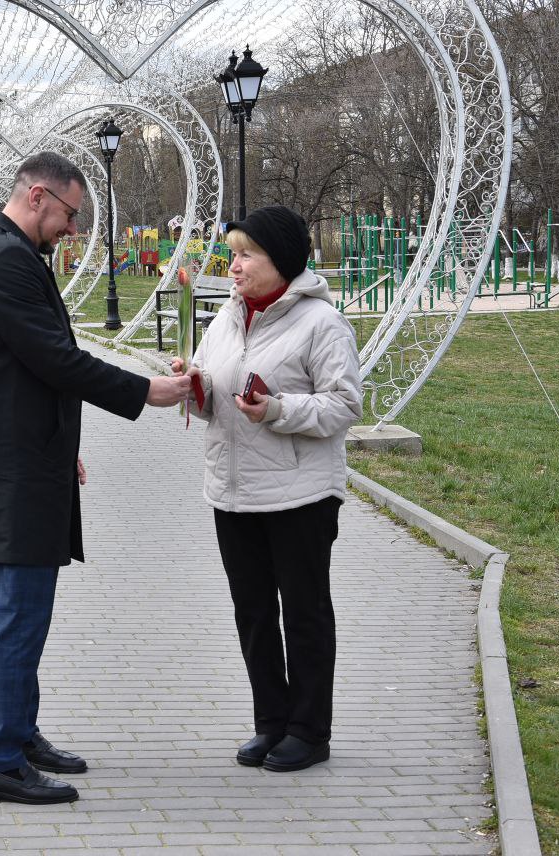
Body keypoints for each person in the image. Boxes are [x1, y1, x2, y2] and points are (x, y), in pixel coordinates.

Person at [0, 151, 193, 805]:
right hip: (15, 475)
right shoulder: (5, 260)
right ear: (37, 196)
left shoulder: (11, 253)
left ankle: (18, 735)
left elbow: (32, 369)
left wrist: (61, 447)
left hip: (28, 461)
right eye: (69, 214)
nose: (72, 229)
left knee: (28, 617)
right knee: (20, 619)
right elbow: (57, 360)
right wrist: (144, 390)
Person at [173, 205, 362, 773]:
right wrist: (194, 386)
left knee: (304, 613)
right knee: (253, 613)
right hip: (233, 492)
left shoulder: (322, 324)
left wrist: (278, 409)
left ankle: (309, 731)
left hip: (300, 496)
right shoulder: (225, 318)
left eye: (245, 255)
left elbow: (344, 405)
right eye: (232, 254)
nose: (233, 266)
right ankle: (270, 723)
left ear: (280, 260)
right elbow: (214, 392)